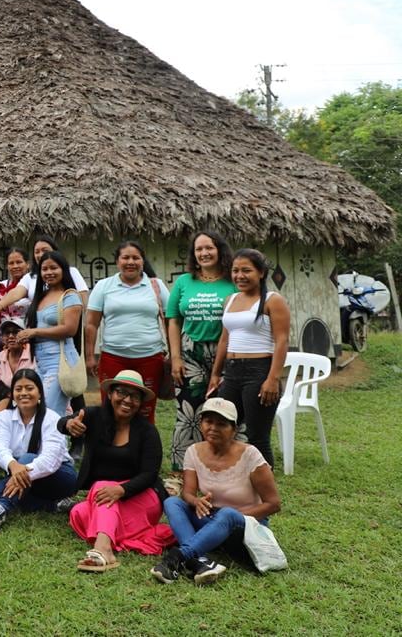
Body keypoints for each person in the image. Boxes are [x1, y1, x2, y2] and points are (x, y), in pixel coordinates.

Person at [152, 397, 282, 584]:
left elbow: (273, 504)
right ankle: (200, 562)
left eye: (221, 424)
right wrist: (196, 502)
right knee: (172, 502)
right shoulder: (193, 451)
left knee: (228, 514)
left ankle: (177, 558)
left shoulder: (251, 455)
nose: (213, 428)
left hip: (246, 527)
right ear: (201, 424)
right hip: (212, 521)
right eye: (208, 421)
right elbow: (188, 493)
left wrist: (232, 517)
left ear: (234, 430)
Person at [60, 370, 174, 572]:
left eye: (135, 396)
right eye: (121, 392)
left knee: (102, 488)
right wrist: (69, 424)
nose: (128, 400)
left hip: (142, 495)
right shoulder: (93, 416)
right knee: (78, 513)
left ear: (140, 402)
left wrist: (121, 490)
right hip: (105, 497)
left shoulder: (147, 431)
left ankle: (104, 549)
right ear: (110, 394)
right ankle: (141, 536)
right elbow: (63, 422)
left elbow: (150, 475)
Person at [208, 248, 290, 466]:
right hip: (232, 371)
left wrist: (273, 379)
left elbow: (282, 341)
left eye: (246, 270)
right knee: (224, 429)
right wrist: (216, 374)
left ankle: (265, 492)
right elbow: (225, 340)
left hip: (259, 371)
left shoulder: (273, 300)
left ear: (261, 272)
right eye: (235, 271)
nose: (239, 276)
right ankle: (231, 481)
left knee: (257, 436)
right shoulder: (230, 300)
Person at [166, 231, 237, 471]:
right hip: (190, 353)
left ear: (220, 250)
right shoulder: (184, 282)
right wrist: (175, 357)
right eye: (199, 249)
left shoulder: (233, 281)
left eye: (209, 248)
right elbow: (173, 319)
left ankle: (226, 466)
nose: (204, 253)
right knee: (188, 409)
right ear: (194, 255)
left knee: (226, 408)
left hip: (226, 351)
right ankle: (183, 469)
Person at [0, 368, 77, 532]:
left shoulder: (51, 418)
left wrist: (20, 469)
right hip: (23, 475)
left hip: (58, 476)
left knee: (26, 458)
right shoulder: (4, 417)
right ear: (12, 395)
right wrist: (13, 465)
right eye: (18, 389)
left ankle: (0, 511)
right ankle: (55, 505)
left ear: (40, 393)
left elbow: (50, 460)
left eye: (29, 388)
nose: (23, 393)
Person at [84, 241, 172, 422]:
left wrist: (173, 353)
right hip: (113, 358)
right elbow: (91, 324)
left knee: (145, 410)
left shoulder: (156, 286)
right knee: (111, 409)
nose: (130, 262)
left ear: (142, 261)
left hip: (150, 358)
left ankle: (144, 449)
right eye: (125, 257)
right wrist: (90, 356)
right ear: (117, 261)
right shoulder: (104, 286)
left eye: (135, 258)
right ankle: (111, 447)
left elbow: (170, 321)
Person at [16, 251, 84, 416]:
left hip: (60, 360)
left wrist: (35, 332)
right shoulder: (41, 296)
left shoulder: (70, 296)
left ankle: (56, 441)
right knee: (36, 410)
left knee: (50, 413)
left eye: (54, 268)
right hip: (39, 361)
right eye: (44, 269)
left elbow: (70, 329)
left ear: (64, 270)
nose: (49, 272)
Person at [0, 235, 91, 314]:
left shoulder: (71, 272)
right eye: (37, 252)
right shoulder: (30, 277)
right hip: (38, 326)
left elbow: (83, 298)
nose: (40, 254)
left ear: (55, 251)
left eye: (45, 250)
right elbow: (16, 293)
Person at [0, 247, 32, 322]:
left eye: (19, 262)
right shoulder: (1, 286)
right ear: (7, 266)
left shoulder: (34, 285)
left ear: (27, 264)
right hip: (4, 332)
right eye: (11, 263)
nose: (15, 266)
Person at [0, 316, 34, 387]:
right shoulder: (1, 356)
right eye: (7, 333)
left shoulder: (33, 352)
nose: (11, 336)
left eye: (15, 332)